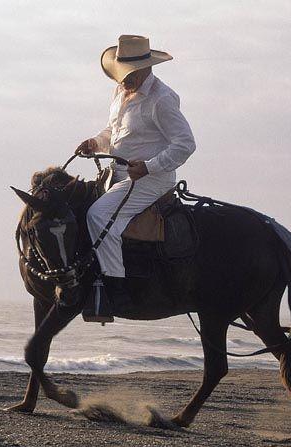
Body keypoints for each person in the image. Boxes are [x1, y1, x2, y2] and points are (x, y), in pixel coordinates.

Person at [77, 35, 196, 317]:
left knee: (98, 215)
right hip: (117, 175)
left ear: (146, 69)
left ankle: (114, 289)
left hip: (151, 180)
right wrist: (95, 142)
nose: (122, 80)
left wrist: (149, 167)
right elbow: (114, 132)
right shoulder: (120, 93)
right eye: (120, 74)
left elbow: (185, 144)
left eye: (128, 75)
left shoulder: (162, 99)